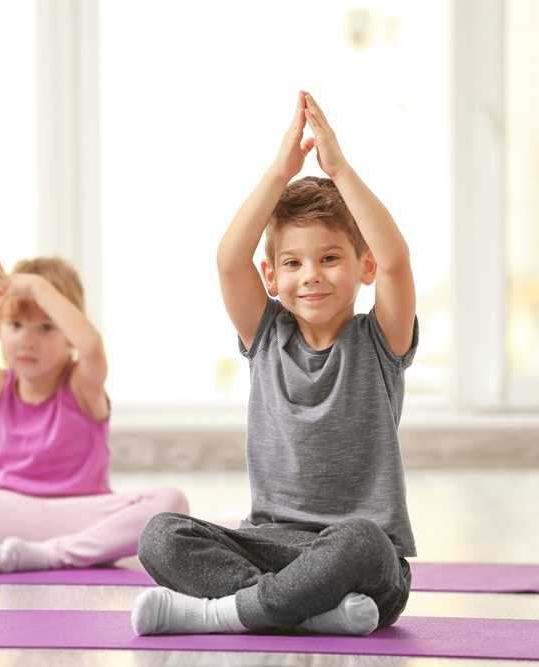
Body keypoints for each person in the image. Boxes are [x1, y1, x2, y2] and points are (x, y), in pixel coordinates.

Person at [133, 91, 418, 636]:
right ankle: (310, 615)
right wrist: (280, 170)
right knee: (160, 536)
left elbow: (399, 262)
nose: (310, 274)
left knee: (361, 540)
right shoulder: (265, 335)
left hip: (361, 560)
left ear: (363, 266)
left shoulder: (380, 341)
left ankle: (226, 615)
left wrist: (338, 168)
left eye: (329, 258)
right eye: (293, 262)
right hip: (269, 546)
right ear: (271, 276)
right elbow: (228, 259)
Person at [0, 255, 188, 573]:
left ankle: (52, 555)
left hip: (82, 518)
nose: (28, 341)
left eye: (46, 328)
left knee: (173, 502)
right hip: (11, 514)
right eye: (16, 326)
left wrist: (37, 286)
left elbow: (91, 347)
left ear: (68, 337)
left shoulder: (82, 384)